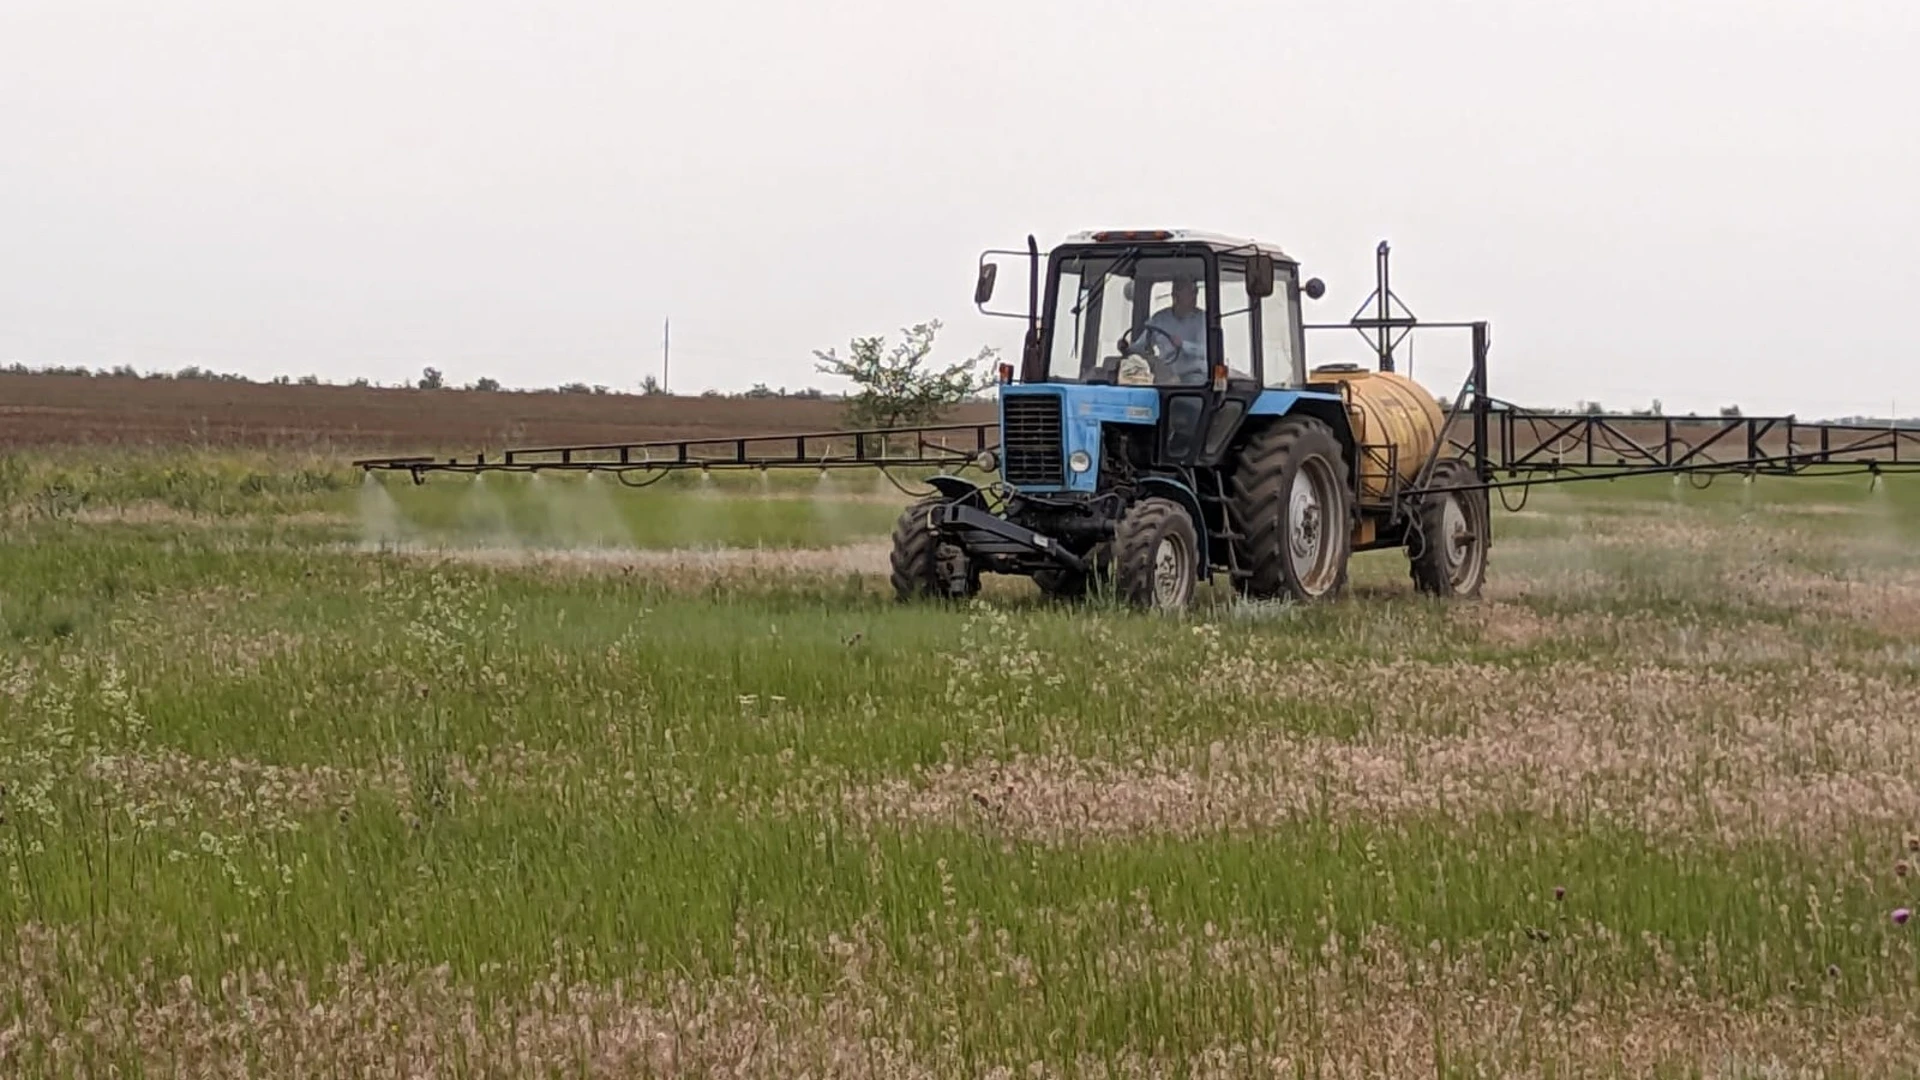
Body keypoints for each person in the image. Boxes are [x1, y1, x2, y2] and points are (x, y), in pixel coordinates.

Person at [1120, 273, 1208, 384]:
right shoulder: (1159, 319)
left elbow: (1206, 351)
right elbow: (1142, 347)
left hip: (1193, 376)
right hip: (1165, 375)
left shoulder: (1203, 320)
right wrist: (1127, 349)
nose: (1177, 294)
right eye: (1176, 289)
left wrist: (1183, 345)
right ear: (1173, 294)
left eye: (1182, 289)